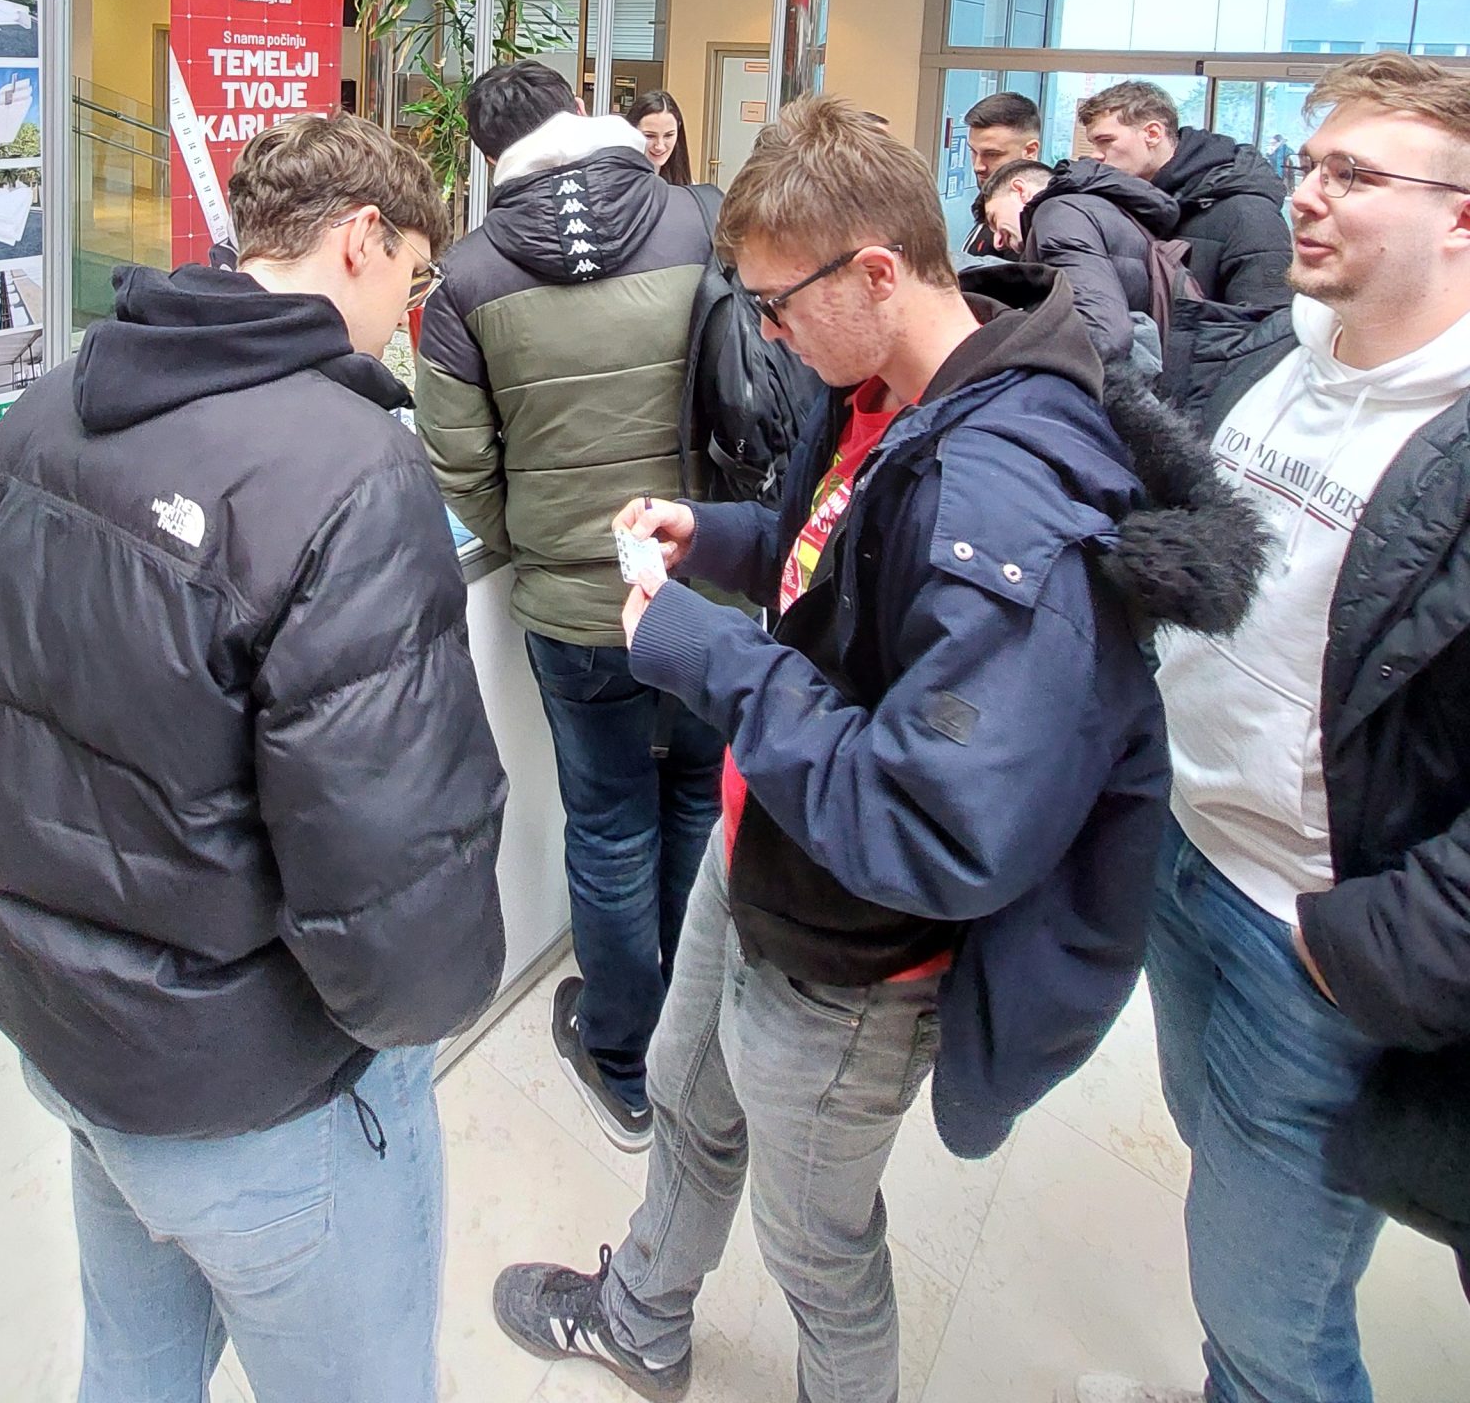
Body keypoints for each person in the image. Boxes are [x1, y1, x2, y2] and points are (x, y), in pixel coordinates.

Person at [491, 97, 1263, 1403]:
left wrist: (703, 651)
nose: (766, 334)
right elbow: (839, 562)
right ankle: (643, 1316)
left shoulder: (1002, 491)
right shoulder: (890, 396)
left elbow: (929, 817)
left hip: (854, 945)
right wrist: (716, 538)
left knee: (816, 1241)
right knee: (685, 1095)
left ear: (877, 272)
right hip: (766, 836)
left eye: (777, 305)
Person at [0, 112, 508, 1403]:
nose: (407, 318)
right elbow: (397, 880)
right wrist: (409, 1029)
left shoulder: (41, 413)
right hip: (259, 1090)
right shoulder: (352, 473)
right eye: (412, 277)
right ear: (361, 239)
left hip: (74, 1036)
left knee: (133, 1368)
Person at [1079, 53, 1470, 1403]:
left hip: (1314, 929)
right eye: (1311, 165)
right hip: (1181, 855)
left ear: (1461, 215)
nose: (1307, 195)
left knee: (1269, 1319)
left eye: (1355, 174)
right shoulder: (1261, 363)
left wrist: (1364, 946)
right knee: (1215, 1157)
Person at [415, 60, 723, 1151]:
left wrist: (530, 544)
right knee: (699, 801)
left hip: (574, 606)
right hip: (707, 580)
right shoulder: (700, 219)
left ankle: (624, 1059)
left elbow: (458, 464)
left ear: (487, 155)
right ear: (582, 112)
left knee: (608, 823)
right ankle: (698, 1037)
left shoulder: (464, 276)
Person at [1079, 79, 1293, 309]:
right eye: (1093, 144)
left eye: (1105, 141)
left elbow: (1265, 320)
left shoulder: (1248, 212)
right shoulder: (1125, 203)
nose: (1096, 155)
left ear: (1152, 133)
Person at [978, 151, 1185, 364]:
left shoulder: (1057, 216)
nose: (997, 242)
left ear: (1020, 190)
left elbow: (1101, 334)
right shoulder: (1094, 207)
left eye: (994, 220)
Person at [960, 89, 1043, 256]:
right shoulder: (987, 205)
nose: (978, 166)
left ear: (1030, 151)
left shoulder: (1042, 227)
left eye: (992, 154)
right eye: (973, 152)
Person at [633, 88, 694, 187]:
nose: (659, 146)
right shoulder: (614, 181)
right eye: (649, 136)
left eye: (668, 135)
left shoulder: (686, 183)